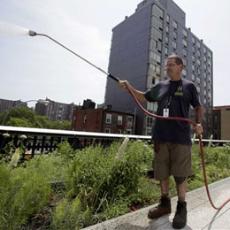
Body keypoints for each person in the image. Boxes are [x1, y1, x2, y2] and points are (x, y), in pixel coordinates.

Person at [119, 54, 203, 229]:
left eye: (171, 64)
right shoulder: (161, 86)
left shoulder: (189, 86)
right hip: (160, 136)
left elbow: (198, 106)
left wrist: (199, 123)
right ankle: (165, 204)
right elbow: (143, 97)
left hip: (181, 137)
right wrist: (129, 88)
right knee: (162, 172)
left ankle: (181, 207)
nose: (167, 67)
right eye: (167, 65)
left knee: (180, 175)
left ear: (181, 66)